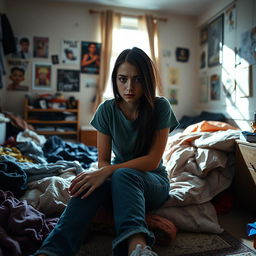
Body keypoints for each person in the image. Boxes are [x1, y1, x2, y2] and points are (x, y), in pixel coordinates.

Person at [34, 47, 179, 256]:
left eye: (137, 79)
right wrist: (101, 173)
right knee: (88, 184)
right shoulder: (106, 109)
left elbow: (152, 161)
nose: (129, 86)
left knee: (119, 174)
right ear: (115, 80)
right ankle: (51, 251)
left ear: (147, 80)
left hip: (153, 183)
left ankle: (138, 248)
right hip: (119, 179)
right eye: (123, 79)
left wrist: (107, 171)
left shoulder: (160, 107)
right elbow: (102, 160)